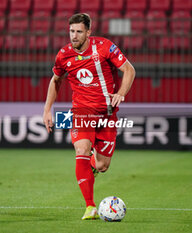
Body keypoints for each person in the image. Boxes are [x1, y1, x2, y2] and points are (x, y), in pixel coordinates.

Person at [43, 13, 135, 220]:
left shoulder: (104, 47)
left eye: (78, 32)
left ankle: (89, 168)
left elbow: (129, 70)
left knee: (102, 166)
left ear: (88, 32)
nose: (74, 36)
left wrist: (120, 93)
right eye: (71, 31)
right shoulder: (64, 55)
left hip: (107, 114)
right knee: (82, 149)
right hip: (81, 112)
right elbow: (56, 80)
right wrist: (47, 110)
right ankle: (90, 206)